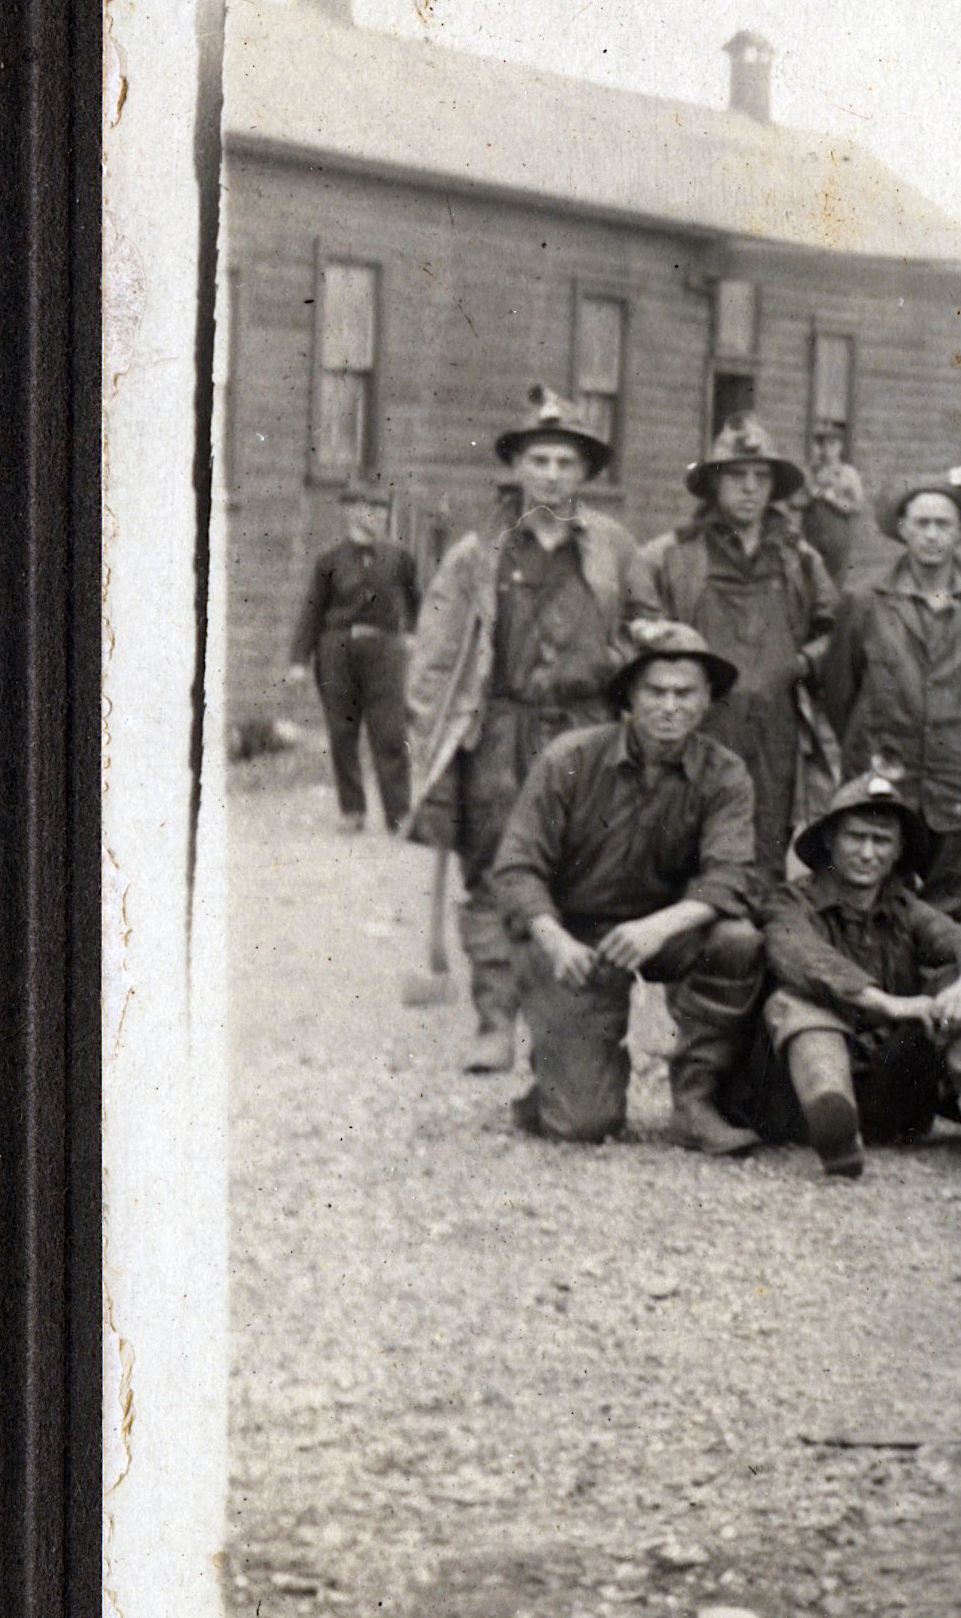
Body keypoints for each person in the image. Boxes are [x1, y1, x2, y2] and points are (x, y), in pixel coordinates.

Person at [403, 388, 653, 1076]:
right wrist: (438, 743)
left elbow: (645, 631)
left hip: (587, 731)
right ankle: (493, 1021)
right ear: (515, 467)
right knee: (492, 872)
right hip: (501, 733)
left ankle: (563, 1023)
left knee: (579, 873)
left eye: (565, 462)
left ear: (584, 474)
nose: (550, 474)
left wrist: (630, 661)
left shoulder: (613, 550)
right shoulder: (476, 555)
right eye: (537, 459)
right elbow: (433, 660)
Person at [479, 613, 771, 1150]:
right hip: (574, 938)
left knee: (737, 942)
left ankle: (696, 1100)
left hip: (664, 928)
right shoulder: (570, 759)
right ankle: (557, 1078)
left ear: (707, 700)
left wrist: (660, 927)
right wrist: (556, 939)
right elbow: (516, 867)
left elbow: (731, 874)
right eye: (655, 692)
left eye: (686, 693)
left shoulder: (725, 773)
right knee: (584, 1124)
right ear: (629, 699)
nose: (670, 706)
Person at [750, 760, 961, 1180]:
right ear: (829, 839)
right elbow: (803, 957)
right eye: (856, 837)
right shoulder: (790, 901)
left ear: (899, 850)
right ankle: (836, 1131)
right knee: (793, 1002)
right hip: (796, 1102)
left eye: (882, 841)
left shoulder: (905, 907)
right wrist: (890, 1004)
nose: (868, 853)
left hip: (893, 1098)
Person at [632, 410, 842, 878]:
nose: (750, 488)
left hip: (774, 728)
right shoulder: (669, 556)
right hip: (699, 724)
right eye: (737, 476)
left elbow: (835, 630)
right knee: (685, 846)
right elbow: (639, 625)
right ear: (713, 485)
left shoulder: (799, 559)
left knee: (765, 851)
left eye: (761, 477)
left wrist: (803, 662)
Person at [814, 466, 961, 900]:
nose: (932, 535)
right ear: (903, 529)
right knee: (869, 890)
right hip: (881, 771)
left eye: (943, 524)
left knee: (950, 899)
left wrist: (954, 733)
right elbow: (840, 692)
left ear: (960, 532)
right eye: (922, 523)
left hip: (955, 776)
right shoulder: (865, 601)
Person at [289, 482, 424, 830]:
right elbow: (312, 612)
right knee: (341, 732)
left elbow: (415, 602)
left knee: (391, 733)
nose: (375, 515)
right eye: (367, 507)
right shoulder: (329, 561)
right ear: (349, 510)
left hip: (384, 654)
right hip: (337, 653)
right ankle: (353, 811)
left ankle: (400, 814)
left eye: (381, 509)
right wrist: (298, 661)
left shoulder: (399, 558)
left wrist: (411, 635)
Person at [794, 419, 874, 587]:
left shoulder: (848, 474)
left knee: (834, 585)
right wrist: (810, 496)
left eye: (832, 444)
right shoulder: (809, 472)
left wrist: (833, 499)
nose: (827, 450)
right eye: (822, 445)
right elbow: (794, 502)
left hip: (837, 539)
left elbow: (858, 506)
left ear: (840, 447)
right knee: (809, 582)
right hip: (811, 536)